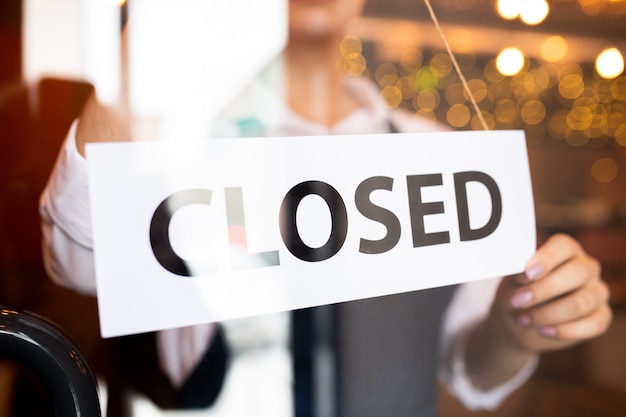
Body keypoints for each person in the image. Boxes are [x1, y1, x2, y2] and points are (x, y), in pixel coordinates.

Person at [39, 0, 612, 415]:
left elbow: (470, 367)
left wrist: (518, 330)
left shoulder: (438, 157)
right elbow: (80, 260)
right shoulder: (180, 141)